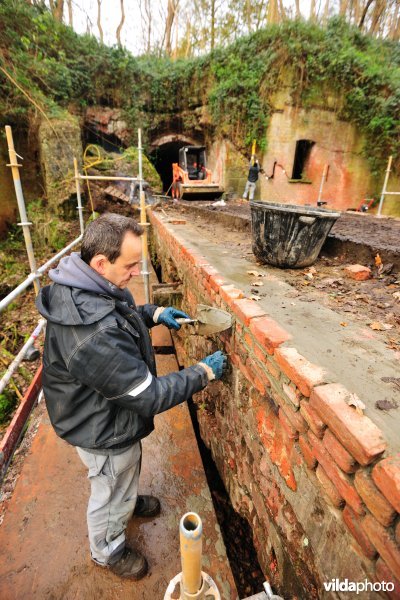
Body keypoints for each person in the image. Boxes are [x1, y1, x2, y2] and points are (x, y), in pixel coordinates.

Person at [35, 213, 227, 581]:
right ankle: (107, 548)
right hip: (99, 429)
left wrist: (152, 313)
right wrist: (202, 373)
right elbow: (148, 395)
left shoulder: (88, 286)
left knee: (123, 474)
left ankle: (126, 502)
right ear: (102, 262)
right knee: (109, 485)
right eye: (131, 265)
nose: (137, 273)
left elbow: (118, 315)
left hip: (101, 411)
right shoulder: (92, 334)